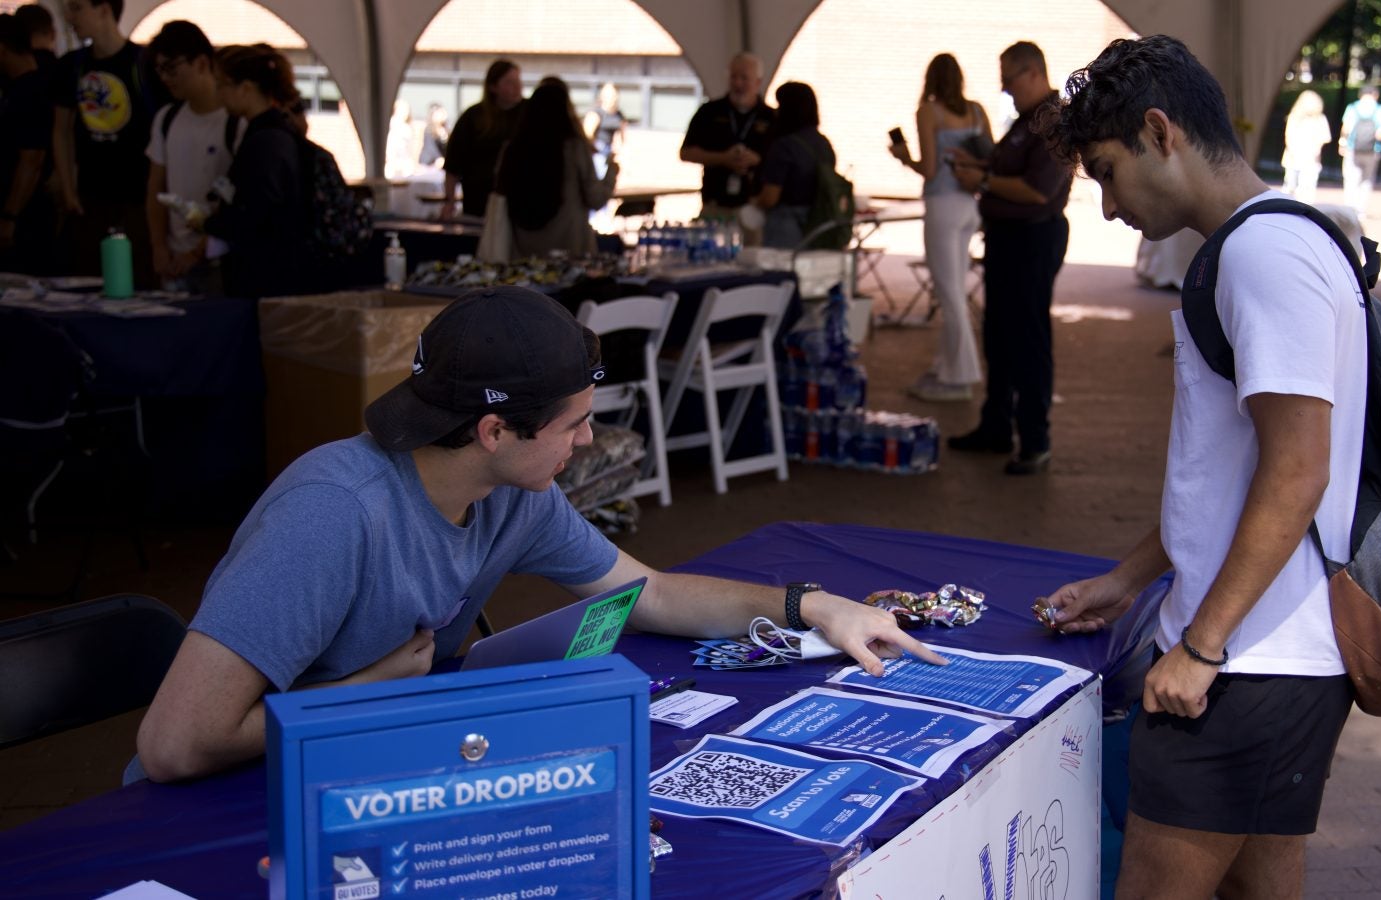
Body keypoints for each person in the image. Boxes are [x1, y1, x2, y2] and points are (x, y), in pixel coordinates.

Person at [134, 286, 946, 782]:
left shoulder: (512, 491)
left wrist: (811, 606)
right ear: (493, 430)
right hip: (228, 804)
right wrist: (381, 686)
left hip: (361, 765)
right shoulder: (331, 513)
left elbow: (649, 593)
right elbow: (175, 747)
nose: (588, 444)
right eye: (574, 425)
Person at [1038, 35, 1369, 899]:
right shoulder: (1272, 240)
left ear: (1160, 132)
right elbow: (1233, 472)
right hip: (1271, 653)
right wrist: (1130, 576)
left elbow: (1299, 471)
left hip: (1251, 661)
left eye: (1107, 171)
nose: (1107, 207)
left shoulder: (1262, 255)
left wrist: (1201, 647)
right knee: (1259, 882)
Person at [945, 41, 1070, 476]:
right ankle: (996, 424)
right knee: (997, 334)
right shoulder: (1026, 120)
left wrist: (983, 177)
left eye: (1009, 78)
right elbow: (1008, 171)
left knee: (1028, 340)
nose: (1004, 88)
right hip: (1006, 238)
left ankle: (1034, 439)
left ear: (1034, 73)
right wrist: (981, 166)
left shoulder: (1053, 121)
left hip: (1033, 238)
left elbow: (1038, 189)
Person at [890, 53, 990, 402]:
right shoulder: (976, 111)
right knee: (955, 288)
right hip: (970, 204)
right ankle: (945, 365)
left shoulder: (929, 111)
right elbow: (991, 155)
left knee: (949, 295)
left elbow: (930, 170)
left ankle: (959, 378)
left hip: (942, 205)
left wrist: (905, 159)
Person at [51, 0, 170, 288]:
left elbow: (165, 131)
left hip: (139, 196)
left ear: (104, 9)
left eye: (78, 8)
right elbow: (62, 130)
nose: (70, 17)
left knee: (141, 281)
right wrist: (69, 191)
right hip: (90, 196)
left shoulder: (143, 63)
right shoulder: (72, 65)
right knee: (88, 282)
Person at [205, 44, 316, 299]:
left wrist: (212, 222)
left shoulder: (266, 140)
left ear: (245, 88)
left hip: (267, 279)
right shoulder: (269, 134)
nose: (218, 94)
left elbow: (257, 213)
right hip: (274, 275)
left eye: (222, 85)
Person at [144, 20, 237, 294]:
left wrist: (199, 251)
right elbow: (155, 188)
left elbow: (239, 202)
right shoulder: (167, 119)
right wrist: (159, 247)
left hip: (220, 260)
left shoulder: (234, 122)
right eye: (160, 69)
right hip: (173, 261)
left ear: (201, 63)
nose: (165, 78)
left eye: (172, 68)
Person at [493, 77, 616, 257]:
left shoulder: (513, 149)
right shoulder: (574, 148)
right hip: (570, 252)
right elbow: (596, 199)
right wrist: (611, 172)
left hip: (521, 253)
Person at [680, 52, 776, 243]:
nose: (738, 84)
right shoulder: (709, 112)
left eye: (744, 78)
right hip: (715, 205)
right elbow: (686, 152)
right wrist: (723, 158)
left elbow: (779, 161)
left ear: (758, 82)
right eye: (734, 77)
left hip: (752, 208)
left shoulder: (771, 117)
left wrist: (756, 160)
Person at [752, 81, 836, 249]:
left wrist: (753, 203)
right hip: (819, 225)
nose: (776, 111)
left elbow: (770, 197)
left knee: (782, 274)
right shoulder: (823, 144)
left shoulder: (783, 146)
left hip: (785, 229)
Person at [0, 14, 54, 274]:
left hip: (28, 217)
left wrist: (10, 215)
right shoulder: (14, 89)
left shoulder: (32, 91)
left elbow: (31, 160)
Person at [441, 59, 521, 219]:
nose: (517, 87)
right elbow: (453, 165)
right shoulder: (473, 117)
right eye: (509, 82)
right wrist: (449, 201)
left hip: (519, 203)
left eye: (518, 81)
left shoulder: (529, 114)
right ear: (493, 87)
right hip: (478, 203)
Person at [1338, 85, 1381, 217]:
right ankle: (1361, 210)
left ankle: (1349, 208)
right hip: (1372, 150)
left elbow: (1346, 128)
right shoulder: (1380, 110)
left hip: (1352, 148)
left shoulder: (1353, 108)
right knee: (1367, 180)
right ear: (1375, 94)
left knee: (1351, 179)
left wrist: (1342, 143)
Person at [1278, 90, 1328, 205]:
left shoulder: (1296, 117)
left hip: (1299, 158)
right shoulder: (1317, 119)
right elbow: (1324, 138)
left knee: (1294, 187)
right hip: (1304, 158)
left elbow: (1288, 137)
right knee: (1302, 188)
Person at [583, 82, 626, 177]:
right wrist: (595, 150)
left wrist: (618, 149)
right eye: (609, 95)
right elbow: (587, 134)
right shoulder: (596, 113)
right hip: (597, 149)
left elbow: (622, 134)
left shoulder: (619, 115)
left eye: (614, 95)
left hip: (609, 149)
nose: (613, 98)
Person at [383, 98, 416, 180]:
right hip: (393, 162)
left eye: (407, 110)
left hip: (405, 161)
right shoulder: (391, 124)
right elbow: (390, 145)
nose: (406, 112)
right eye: (403, 110)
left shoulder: (407, 127)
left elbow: (410, 148)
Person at [418, 102, 448, 169]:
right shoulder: (428, 130)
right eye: (439, 113)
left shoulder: (445, 130)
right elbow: (430, 148)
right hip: (430, 162)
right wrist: (439, 159)